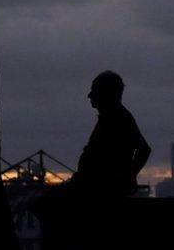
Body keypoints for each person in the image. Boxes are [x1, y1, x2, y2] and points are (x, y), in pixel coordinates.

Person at [31, 71, 151, 247]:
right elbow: (143, 149)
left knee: (45, 206)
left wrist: (127, 177)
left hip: (96, 189)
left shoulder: (117, 118)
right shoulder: (115, 116)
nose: (89, 95)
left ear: (106, 93)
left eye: (94, 90)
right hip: (93, 187)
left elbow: (143, 149)